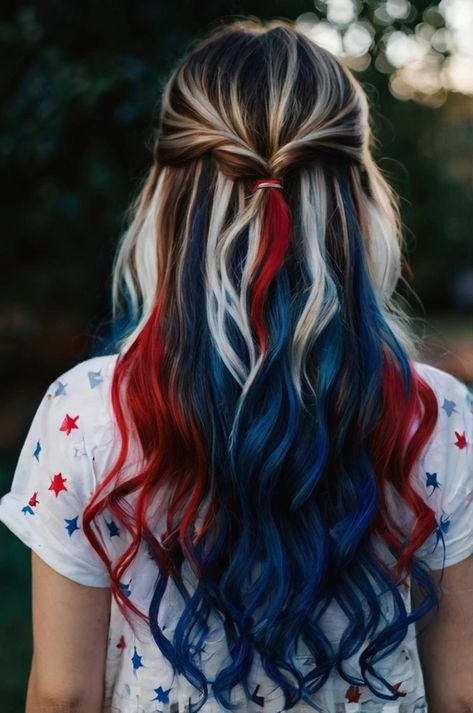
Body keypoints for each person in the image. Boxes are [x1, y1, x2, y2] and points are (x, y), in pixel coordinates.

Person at [0, 17, 472, 713]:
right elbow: (460, 692)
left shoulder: (87, 413)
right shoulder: (434, 414)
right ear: (358, 194)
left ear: (168, 195)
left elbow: (64, 694)